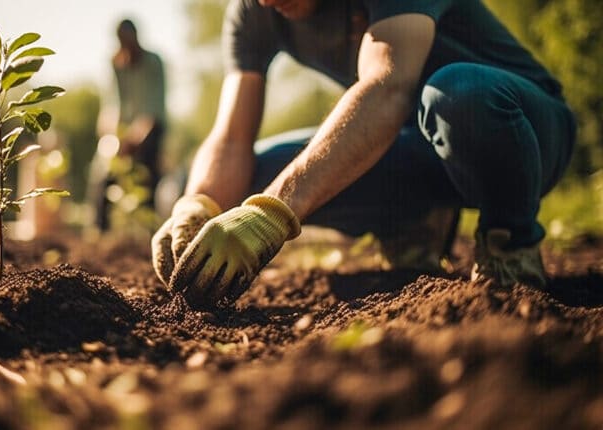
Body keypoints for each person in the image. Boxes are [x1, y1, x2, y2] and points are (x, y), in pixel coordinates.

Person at [152, 0, 576, 309]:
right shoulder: (256, 10)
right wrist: (199, 204)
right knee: (259, 173)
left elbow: (386, 87)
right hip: (418, 147)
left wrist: (272, 213)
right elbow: (231, 139)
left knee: (455, 93)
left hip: (520, 133)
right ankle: (413, 220)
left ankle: (510, 243)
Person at [95, 18, 166, 230]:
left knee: (148, 173)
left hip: (150, 129)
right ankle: (100, 230)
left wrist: (136, 137)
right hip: (122, 132)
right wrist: (114, 136)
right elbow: (112, 103)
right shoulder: (115, 64)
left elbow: (153, 106)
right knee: (103, 174)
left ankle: (150, 229)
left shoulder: (153, 62)